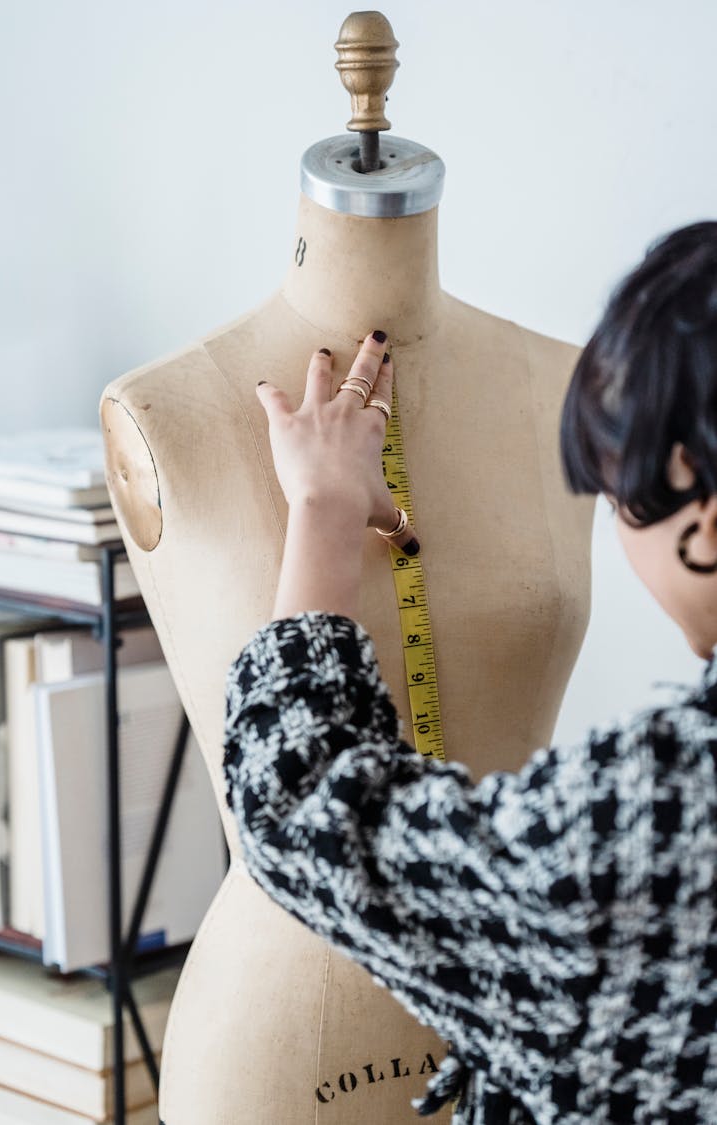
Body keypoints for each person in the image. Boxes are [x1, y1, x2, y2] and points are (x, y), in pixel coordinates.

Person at [222, 222, 717, 1124]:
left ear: (704, 516)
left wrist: (325, 510)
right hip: (264, 1029)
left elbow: (299, 801)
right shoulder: (170, 394)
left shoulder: (657, 817)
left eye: (617, 493)